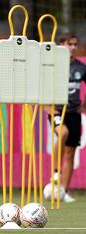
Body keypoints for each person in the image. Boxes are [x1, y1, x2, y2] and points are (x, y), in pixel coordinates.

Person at [48, 33, 86, 203]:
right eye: (69, 44)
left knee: (70, 152)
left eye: (75, 44)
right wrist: (47, 107)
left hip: (73, 113)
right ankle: (55, 173)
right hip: (56, 110)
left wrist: (84, 106)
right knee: (62, 133)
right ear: (62, 44)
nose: (73, 47)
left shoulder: (81, 67)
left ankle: (63, 191)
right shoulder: (52, 65)